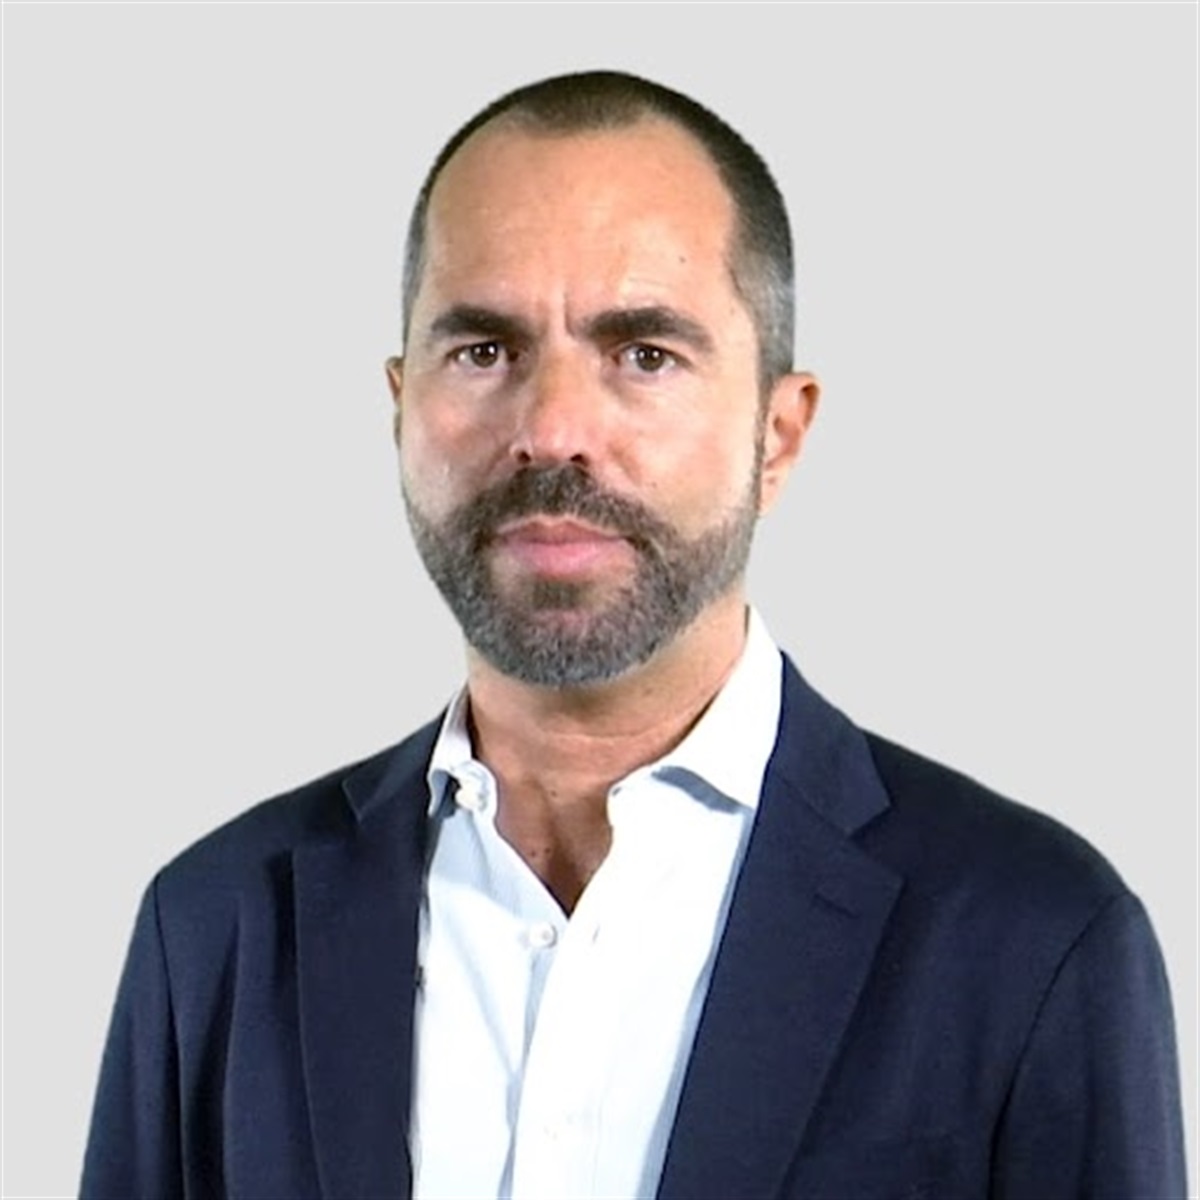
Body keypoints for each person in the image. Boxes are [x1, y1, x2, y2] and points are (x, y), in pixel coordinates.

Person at [80, 70, 1186, 1200]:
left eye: (644, 353)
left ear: (778, 432)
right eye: (485, 351)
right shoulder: (213, 929)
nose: (553, 430)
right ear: (400, 405)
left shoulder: (1034, 940)